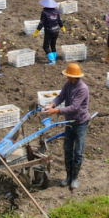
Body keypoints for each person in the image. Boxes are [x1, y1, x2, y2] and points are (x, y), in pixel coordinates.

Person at [44, 63, 90, 191]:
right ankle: (68, 176)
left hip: (80, 122)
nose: (67, 77)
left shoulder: (82, 88)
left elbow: (74, 107)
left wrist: (56, 111)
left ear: (74, 77)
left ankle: (75, 178)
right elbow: (61, 96)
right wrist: (52, 105)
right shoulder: (68, 85)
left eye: (68, 76)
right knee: (68, 149)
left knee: (78, 151)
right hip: (69, 122)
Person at [34, 0, 65, 65]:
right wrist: (62, 27)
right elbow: (59, 20)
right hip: (56, 30)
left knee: (45, 46)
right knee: (53, 45)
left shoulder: (44, 12)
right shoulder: (56, 11)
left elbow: (41, 23)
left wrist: (36, 31)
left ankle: (52, 60)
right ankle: (54, 58)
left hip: (49, 31)